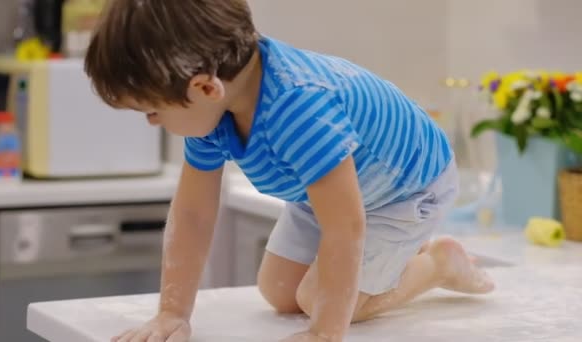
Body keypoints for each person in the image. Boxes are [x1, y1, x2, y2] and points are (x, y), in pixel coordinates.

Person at [84, 1, 495, 341]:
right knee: (280, 292)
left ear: (205, 88)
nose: (152, 122)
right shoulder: (213, 111)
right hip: (331, 188)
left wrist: (323, 333)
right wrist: (172, 313)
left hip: (404, 188)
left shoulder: (297, 108)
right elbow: (193, 214)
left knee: (319, 299)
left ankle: (437, 265)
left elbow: (346, 226)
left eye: (152, 111)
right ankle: (396, 266)